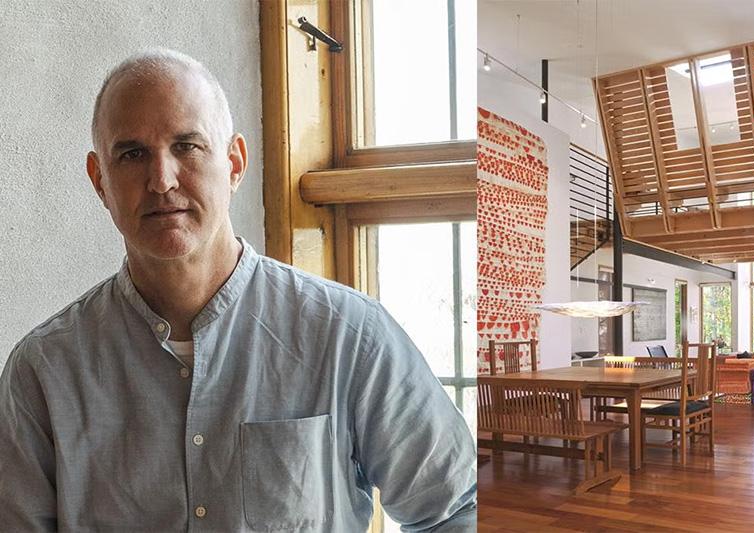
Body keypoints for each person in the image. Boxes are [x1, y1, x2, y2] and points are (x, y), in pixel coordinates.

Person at [0, 49, 476, 532]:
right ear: (99, 181)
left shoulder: (350, 336)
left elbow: (458, 510)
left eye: (187, 146)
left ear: (234, 164)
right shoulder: (43, 372)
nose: (162, 180)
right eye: (132, 154)